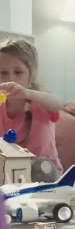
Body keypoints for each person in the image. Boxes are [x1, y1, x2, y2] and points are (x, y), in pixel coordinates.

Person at [0, 38, 65, 180]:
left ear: (31, 77)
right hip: (10, 173)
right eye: (3, 73)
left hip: (43, 170)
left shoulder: (40, 102)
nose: (10, 78)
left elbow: (58, 104)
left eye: (18, 72)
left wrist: (27, 93)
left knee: (39, 166)